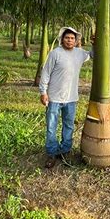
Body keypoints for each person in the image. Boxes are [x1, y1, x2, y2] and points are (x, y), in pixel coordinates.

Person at [39, 26, 92, 168]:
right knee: (51, 126)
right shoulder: (55, 53)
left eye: (72, 38)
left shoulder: (79, 53)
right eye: (67, 38)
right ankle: (51, 153)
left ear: (76, 41)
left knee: (68, 125)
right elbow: (45, 73)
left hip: (71, 98)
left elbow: (93, 55)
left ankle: (64, 151)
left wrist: (95, 42)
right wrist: (43, 92)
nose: (70, 40)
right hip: (54, 98)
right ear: (62, 39)